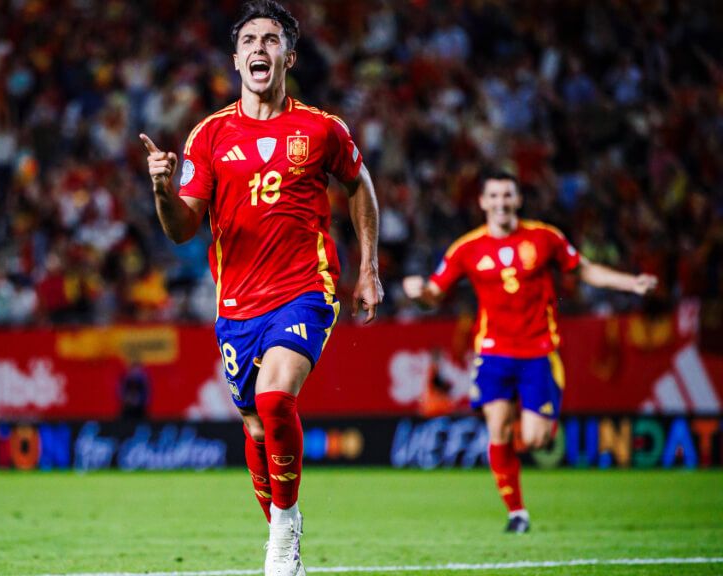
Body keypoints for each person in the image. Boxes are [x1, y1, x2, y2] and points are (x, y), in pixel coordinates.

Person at [140, 2, 382, 574]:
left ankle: (284, 534)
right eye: (249, 40)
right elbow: (181, 229)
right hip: (236, 304)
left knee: (275, 399)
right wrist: (162, 190)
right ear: (235, 59)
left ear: (288, 57)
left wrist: (369, 267)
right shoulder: (209, 135)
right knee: (254, 425)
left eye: (271, 40)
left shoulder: (320, 129)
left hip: (305, 289)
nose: (259, 48)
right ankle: (282, 533)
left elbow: (360, 185)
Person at [403, 170, 657, 533]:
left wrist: (631, 283)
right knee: (498, 429)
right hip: (493, 352)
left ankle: (535, 423)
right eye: (494, 196)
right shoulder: (466, 248)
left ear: (518, 199)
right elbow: (434, 294)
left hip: (538, 350)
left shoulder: (544, 237)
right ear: (482, 202)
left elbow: (584, 270)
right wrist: (419, 293)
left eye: (507, 195)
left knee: (537, 438)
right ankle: (516, 513)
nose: (501, 202)